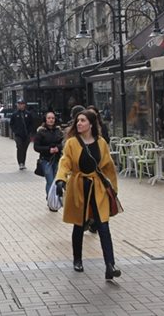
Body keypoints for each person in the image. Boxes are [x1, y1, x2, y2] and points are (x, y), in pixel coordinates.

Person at [54, 109, 121, 280]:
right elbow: (65, 162)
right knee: (79, 224)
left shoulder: (101, 142)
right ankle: (77, 259)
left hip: (97, 188)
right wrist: (61, 179)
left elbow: (108, 167)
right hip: (79, 186)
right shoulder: (71, 143)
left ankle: (110, 265)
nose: (79, 123)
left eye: (83, 120)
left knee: (103, 226)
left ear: (91, 124)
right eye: (78, 120)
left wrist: (113, 188)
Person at [33, 111, 64, 201]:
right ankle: (50, 199)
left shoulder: (59, 131)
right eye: (49, 118)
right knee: (50, 180)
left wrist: (58, 148)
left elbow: (63, 143)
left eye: (53, 118)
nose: (51, 120)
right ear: (45, 119)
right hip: (45, 160)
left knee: (56, 180)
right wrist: (48, 149)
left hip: (57, 159)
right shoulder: (41, 132)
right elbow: (36, 147)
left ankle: (56, 198)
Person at [10, 99, 34, 170]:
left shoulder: (28, 114)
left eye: (21, 104)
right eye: (19, 104)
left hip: (26, 135)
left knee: (24, 149)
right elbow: (11, 124)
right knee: (19, 147)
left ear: (24, 105)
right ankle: (20, 163)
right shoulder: (15, 114)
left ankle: (23, 162)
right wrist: (15, 131)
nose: (20, 105)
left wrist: (30, 132)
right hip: (18, 135)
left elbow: (31, 123)